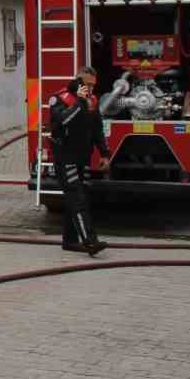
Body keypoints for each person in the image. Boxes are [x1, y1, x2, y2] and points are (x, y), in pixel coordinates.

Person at [46, 65, 111, 256]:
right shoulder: (59, 98)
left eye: (93, 85)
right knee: (78, 199)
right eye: (87, 84)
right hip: (65, 158)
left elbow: (97, 129)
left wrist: (105, 154)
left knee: (74, 200)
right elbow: (64, 120)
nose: (90, 88)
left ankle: (70, 241)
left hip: (82, 158)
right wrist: (80, 102)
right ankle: (90, 241)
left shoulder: (92, 100)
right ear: (78, 80)